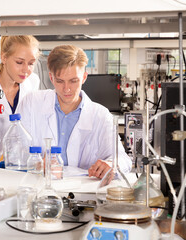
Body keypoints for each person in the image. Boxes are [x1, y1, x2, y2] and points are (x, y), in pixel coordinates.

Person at [19, 45, 132, 178]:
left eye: (73, 81)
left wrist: (112, 165)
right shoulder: (32, 103)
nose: (67, 89)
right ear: (51, 77)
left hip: (84, 194)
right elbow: (15, 152)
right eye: (60, 81)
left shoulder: (100, 115)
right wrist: (36, 164)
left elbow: (123, 160)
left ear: (84, 77)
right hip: (40, 189)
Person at [0, 36, 41, 163]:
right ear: (4, 58)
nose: (26, 70)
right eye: (19, 62)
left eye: (31, 64)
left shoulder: (32, 82)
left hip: (21, 165)